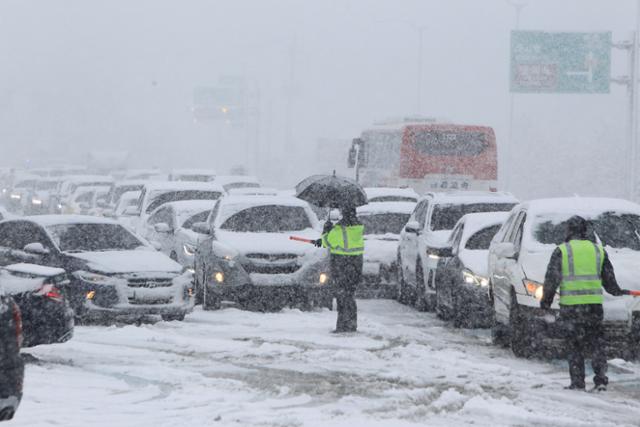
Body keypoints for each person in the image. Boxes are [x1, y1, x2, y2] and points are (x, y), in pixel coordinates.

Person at [540, 216, 630, 391]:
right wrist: (619, 291)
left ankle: (577, 382)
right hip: (594, 307)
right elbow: (609, 282)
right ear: (585, 232)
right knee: (597, 344)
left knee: (574, 345)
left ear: (569, 231)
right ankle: (601, 380)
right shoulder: (598, 251)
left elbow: (551, 280)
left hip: (571, 308)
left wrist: (546, 303)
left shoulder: (562, 251)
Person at [314, 206, 364, 333]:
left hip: (341, 265)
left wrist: (326, 230)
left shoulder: (339, 229)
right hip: (356, 265)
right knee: (350, 296)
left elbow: (326, 242)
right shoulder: (359, 228)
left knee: (341, 297)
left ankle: (342, 325)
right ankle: (352, 324)